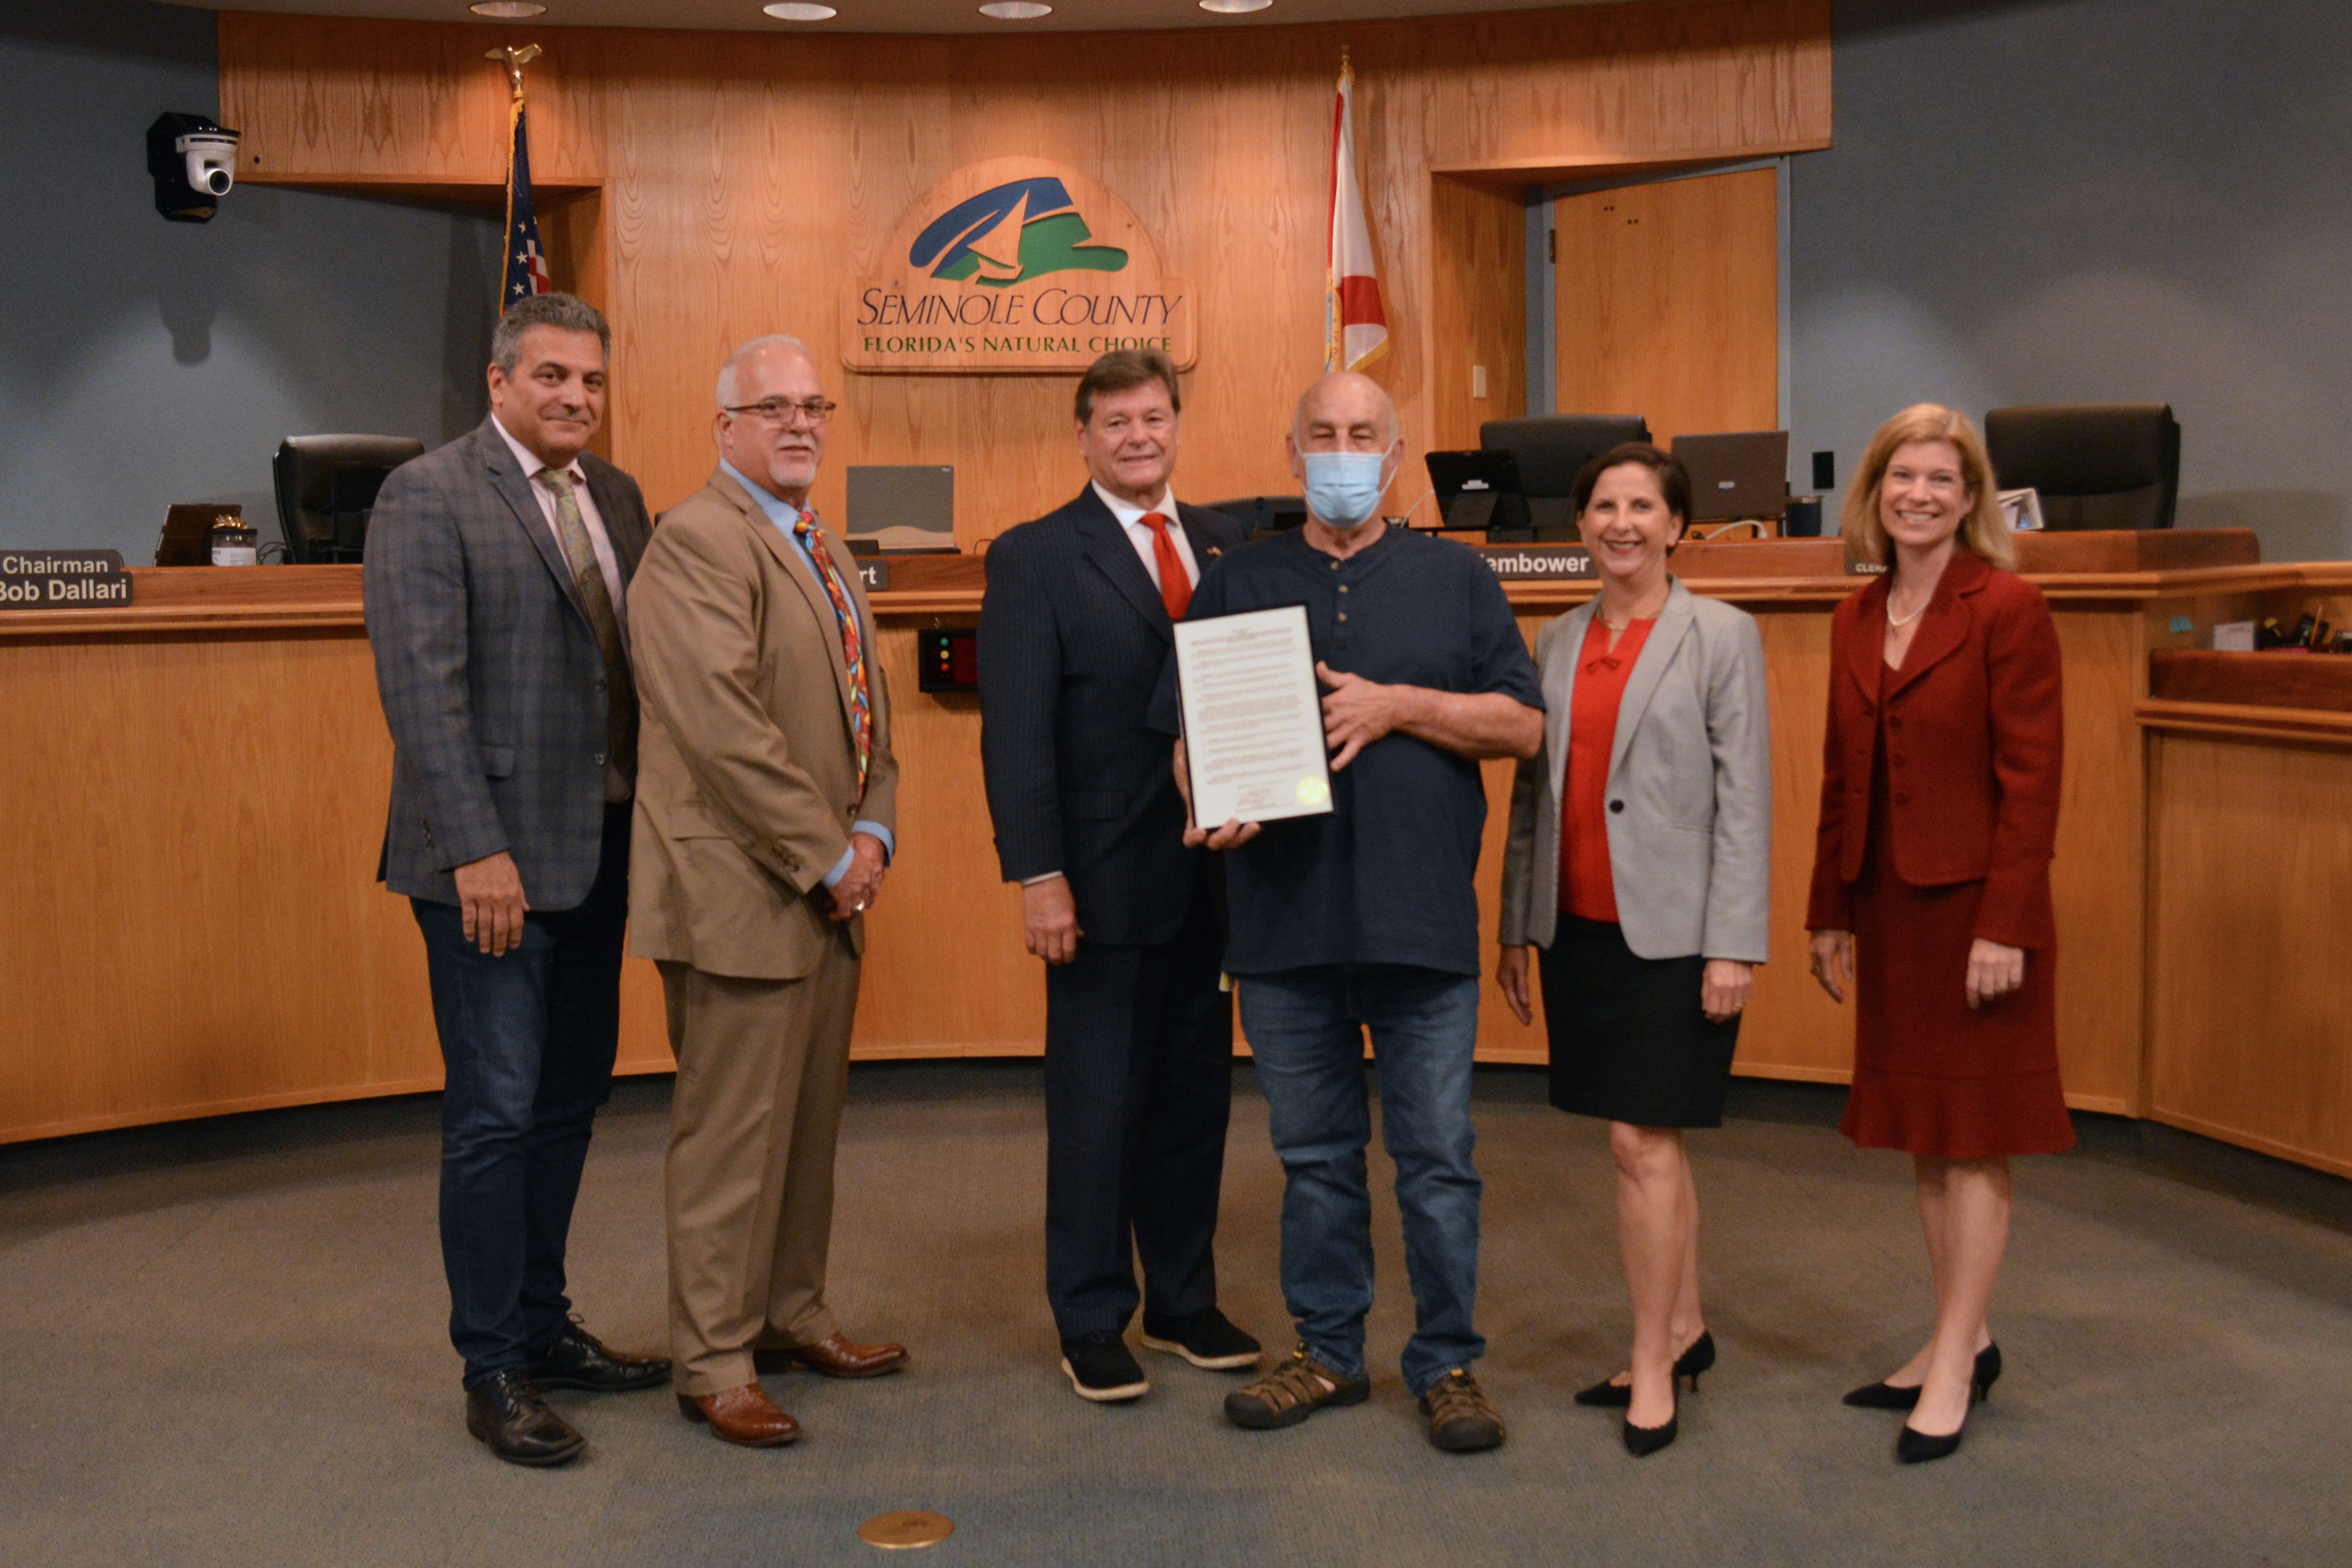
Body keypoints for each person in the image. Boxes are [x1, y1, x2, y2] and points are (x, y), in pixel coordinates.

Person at [1160, 371, 1545, 1453]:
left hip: (1421, 923)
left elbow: (1521, 726)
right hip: (1283, 927)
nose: (1341, 450)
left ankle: (1447, 1361)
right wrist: (1207, 799)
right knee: (1316, 1155)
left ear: (1396, 451)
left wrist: (1400, 705)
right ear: (1292, 454)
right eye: (1321, 434)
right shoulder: (1236, 580)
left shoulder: (1457, 577)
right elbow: (1189, 730)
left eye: (1362, 434)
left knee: (1437, 1158)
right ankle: (1327, 1349)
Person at [363, 290, 671, 1468]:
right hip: (486, 866)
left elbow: (629, 676)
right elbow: (422, 692)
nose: (576, 399)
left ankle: (544, 1328)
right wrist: (473, 845)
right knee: (493, 1115)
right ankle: (491, 1362)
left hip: (597, 852)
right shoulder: (428, 495)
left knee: (567, 1100)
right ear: (499, 383)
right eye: (552, 378)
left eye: (591, 381)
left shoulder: (621, 497)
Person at [626, 335, 909, 1448]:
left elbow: (864, 708)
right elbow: (723, 729)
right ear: (725, 427)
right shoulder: (696, 539)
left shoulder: (821, 543)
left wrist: (875, 824)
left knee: (805, 1125)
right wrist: (832, 854)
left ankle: (789, 1313)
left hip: (823, 884)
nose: (799, 424)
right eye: (773, 407)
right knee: (729, 1138)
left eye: (813, 406)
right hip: (742, 888)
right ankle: (712, 1358)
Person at [979, 349, 1260, 1404]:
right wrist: (1038, 876)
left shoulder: (1233, 544)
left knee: (1195, 1099)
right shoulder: (1037, 556)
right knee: (1097, 1106)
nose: (1139, 437)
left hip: (1222, 877)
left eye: (1155, 417)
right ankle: (1092, 1312)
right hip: (1098, 881)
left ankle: (1184, 1299)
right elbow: (1016, 741)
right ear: (1084, 436)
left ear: (1176, 423)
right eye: (1117, 423)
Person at [1804, 403, 2071, 1465]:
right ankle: (1964, 1327)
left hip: (1978, 912)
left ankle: (1956, 1358)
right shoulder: (1855, 617)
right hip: (1889, 904)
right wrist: (1830, 904)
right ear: (1874, 493)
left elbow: (2034, 780)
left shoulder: (2009, 606)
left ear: (1972, 500)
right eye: (1901, 478)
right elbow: (1840, 774)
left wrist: (2006, 921)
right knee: (1925, 1127)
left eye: (1941, 481)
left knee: (1976, 1135)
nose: (1919, 495)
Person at [1495, 443, 1770, 1458]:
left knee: (1639, 1143)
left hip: (1677, 932)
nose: (1622, 522)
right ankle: (1686, 1325)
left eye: (1642, 506)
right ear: (1580, 527)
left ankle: (1652, 1357)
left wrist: (1734, 942)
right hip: (1579, 925)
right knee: (1651, 1142)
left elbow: (1747, 796)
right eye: (1603, 506)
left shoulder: (1721, 634)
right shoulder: (1556, 639)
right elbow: (1535, 793)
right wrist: (1517, 922)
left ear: (1676, 526)